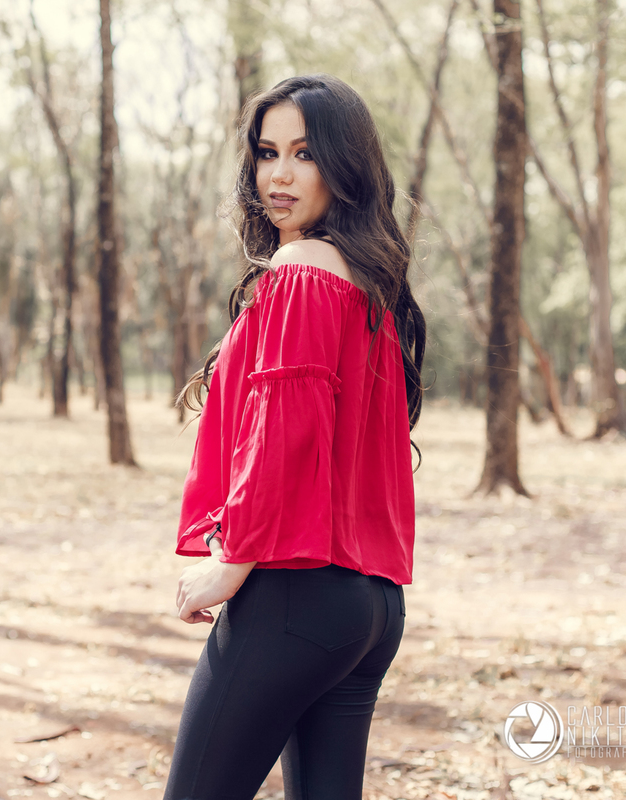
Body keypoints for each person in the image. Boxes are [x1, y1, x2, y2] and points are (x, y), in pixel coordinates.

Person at [164, 74, 426, 800]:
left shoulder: (304, 269)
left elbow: (285, 432)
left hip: (295, 593)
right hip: (369, 606)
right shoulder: (370, 282)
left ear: (344, 166)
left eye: (304, 154)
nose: (278, 174)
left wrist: (233, 559)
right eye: (266, 152)